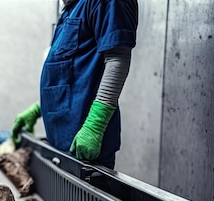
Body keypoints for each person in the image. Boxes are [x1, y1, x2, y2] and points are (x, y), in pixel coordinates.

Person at [11, 0, 138, 169]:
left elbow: (117, 59)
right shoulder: (71, 9)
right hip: (60, 143)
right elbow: (70, 75)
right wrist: (39, 108)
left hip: (84, 150)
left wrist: (95, 125)